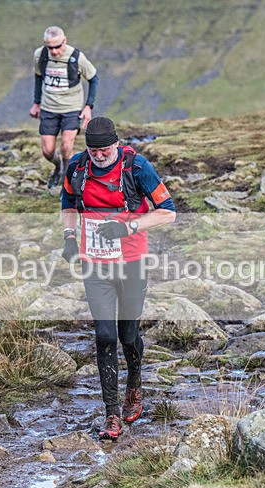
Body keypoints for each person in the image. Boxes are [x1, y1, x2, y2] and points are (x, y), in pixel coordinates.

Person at [60, 117, 176, 440]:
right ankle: (112, 414)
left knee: (128, 336)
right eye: (93, 150)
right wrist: (70, 237)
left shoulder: (137, 168)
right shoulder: (77, 168)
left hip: (132, 261)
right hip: (94, 263)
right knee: (105, 335)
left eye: (104, 150)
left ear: (116, 144)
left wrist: (128, 227)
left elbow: (168, 211)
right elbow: (68, 203)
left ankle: (134, 383)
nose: (98, 156)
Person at [30, 26, 98, 189]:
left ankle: (66, 180)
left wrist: (88, 106)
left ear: (64, 41)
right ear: (45, 44)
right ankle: (58, 166)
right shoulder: (40, 55)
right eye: (50, 47)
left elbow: (93, 79)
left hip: (71, 108)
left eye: (57, 46)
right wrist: (36, 102)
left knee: (67, 146)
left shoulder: (76, 57)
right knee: (47, 151)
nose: (54, 51)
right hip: (48, 108)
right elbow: (39, 77)